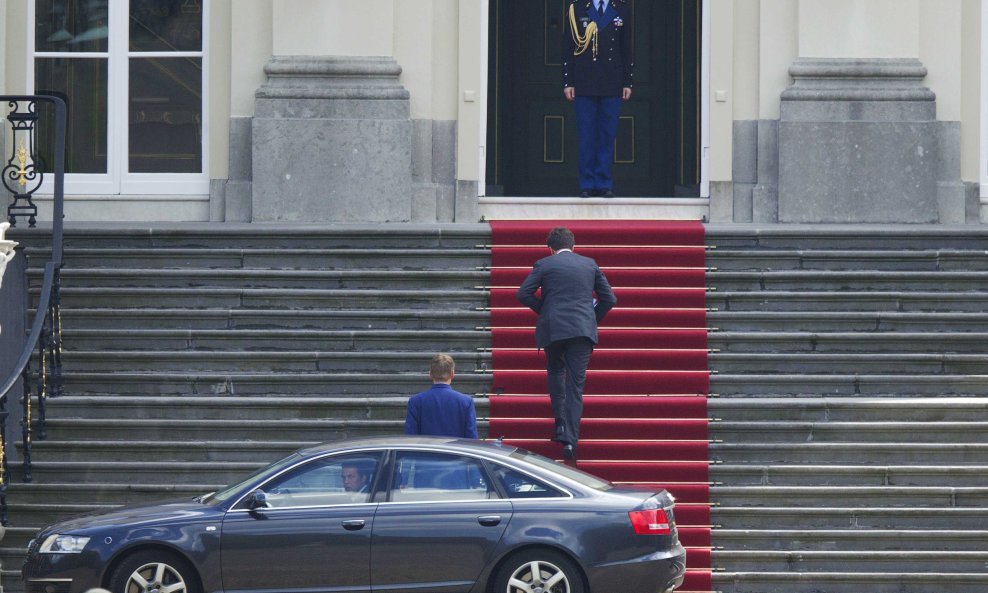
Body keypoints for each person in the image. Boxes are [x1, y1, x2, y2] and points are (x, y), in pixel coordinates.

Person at [516, 227, 616, 461]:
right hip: (582, 330)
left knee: (554, 370)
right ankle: (570, 440)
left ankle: (559, 423)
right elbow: (610, 298)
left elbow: (523, 294)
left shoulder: (544, 264)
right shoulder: (589, 264)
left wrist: (545, 311)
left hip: (554, 328)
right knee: (575, 384)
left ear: (550, 248)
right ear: (574, 246)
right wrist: (591, 319)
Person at [561, 0, 634, 198]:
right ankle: (586, 183)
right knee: (586, 136)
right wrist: (568, 81)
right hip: (584, 81)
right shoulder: (577, 8)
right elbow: (568, 46)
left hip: (612, 82)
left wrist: (627, 81)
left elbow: (626, 48)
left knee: (606, 135)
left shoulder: (621, 9)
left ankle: (603, 182)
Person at [404, 354, 479, 438]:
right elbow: (471, 438)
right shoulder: (466, 402)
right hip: (455, 450)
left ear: (430, 374)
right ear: (452, 374)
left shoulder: (416, 401)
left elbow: (410, 437)